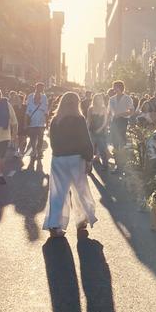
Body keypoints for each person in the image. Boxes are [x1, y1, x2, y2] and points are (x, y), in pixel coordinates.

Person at [43, 91, 96, 238]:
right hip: (76, 158)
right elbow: (85, 140)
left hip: (59, 158)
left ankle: (54, 224)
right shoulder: (78, 119)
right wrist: (89, 158)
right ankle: (81, 221)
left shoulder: (55, 120)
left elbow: (52, 142)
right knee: (80, 190)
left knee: (58, 193)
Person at [108, 80, 135, 152]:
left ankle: (122, 150)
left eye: (115, 87)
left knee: (121, 134)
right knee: (114, 135)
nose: (113, 89)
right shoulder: (111, 99)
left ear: (120, 87)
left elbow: (131, 111)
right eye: (113, 87)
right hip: (114, 119)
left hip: (123, 119)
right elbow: (109, 111)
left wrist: (121, 114)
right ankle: (116, 150)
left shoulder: (127, 98)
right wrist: (107, 120)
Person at [25, 83, 49, 163]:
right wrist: (25, 123)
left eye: (42, 88)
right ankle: (34, 150)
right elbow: (27, 112)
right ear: (36, 87)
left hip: (41, 123)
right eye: (39, 87)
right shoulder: (30, 97)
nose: (40, 89)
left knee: (40, 138)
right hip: (32, 123)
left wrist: (47, 123)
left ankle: (39, 151)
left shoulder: (44, 97)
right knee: (32, 138)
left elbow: (46, 112)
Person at [87, 92, 110, 169]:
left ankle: (105, 165)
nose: (98, 100)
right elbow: (88, 120)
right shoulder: (90, 109)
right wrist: (87, 130)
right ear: (94, 100)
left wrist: (100, 129)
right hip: (92, 131)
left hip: (101, 131)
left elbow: (105, 121)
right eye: (96, 99)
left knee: (102, 148)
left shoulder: (104, 108)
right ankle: (89, 166)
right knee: (90, 149)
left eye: (99, 98)